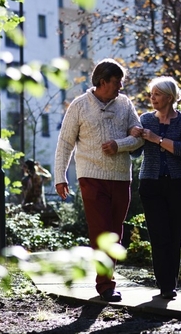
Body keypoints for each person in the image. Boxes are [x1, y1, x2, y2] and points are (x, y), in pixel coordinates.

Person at [54, 58, 144, 302]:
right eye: (117, 82)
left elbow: (139, 138)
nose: (120, 87)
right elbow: (65, 142)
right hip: (91, 177)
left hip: (120, 178)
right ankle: (105, 286)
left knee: (115, 232)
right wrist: (60, 176)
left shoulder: (125, 104)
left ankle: (107, 282)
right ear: (102, 82)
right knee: (100, 230)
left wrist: (119, 144)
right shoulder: (80, 105)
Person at [130, 76, 181, 300]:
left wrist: (157, 139)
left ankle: (170, 283)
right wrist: (133, 136)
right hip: (151, 183)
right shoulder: (146, 119)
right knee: (159, 235)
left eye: (156, 94)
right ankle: (165, 284)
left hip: (178, 184)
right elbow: (135, 151)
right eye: (151, 94)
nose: (152, 98)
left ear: (169, 97)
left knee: (175, 235)